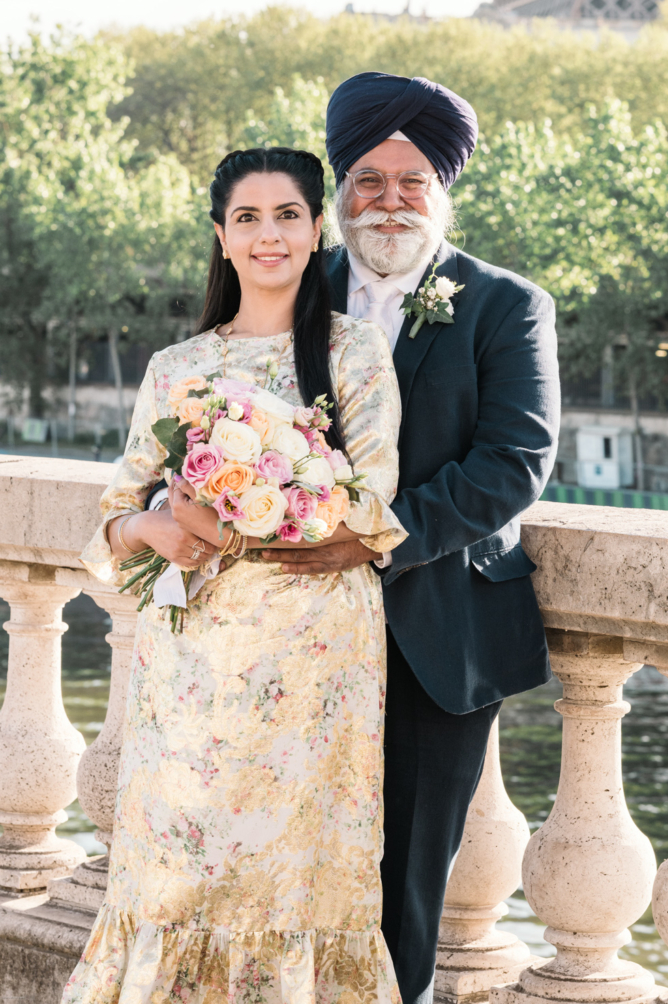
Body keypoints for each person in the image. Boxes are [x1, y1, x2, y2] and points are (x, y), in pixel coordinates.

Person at [64, 146, 406, 1004]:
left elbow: (370, 507)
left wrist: (252, 509)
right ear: (221, 237)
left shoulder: (354, 353)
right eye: (247, 218)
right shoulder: (177, 368)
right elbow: (110, 527)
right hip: (191, 670)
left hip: (315, 664)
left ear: (317, 229)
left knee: (298, 877)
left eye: (287, 215)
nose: (268, 235)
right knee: (180, 873)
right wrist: (159, 528)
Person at [265, 74, 561, 1004]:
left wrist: (375, 540)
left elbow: (515, 461)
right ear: (339, 191)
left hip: (436, 632)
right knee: (281, 856)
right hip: (286, 630)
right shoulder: (285, 288)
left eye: (412, 182)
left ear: (445, 192)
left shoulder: (506, 304)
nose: (389, 201)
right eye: (368, 180)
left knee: (405, 881)